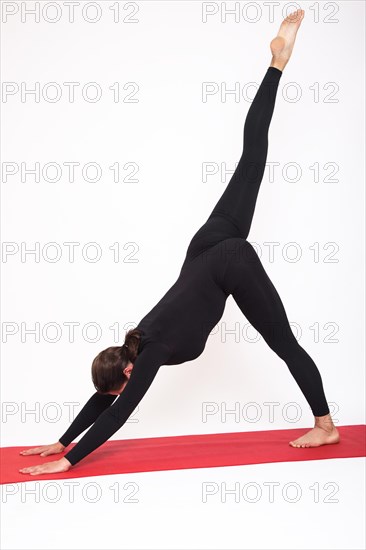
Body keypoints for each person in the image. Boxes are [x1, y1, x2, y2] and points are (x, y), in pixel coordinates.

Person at [19, 8, 340, 476]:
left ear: (126, 372)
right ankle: (277, 64)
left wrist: (68, 461)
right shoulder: (134, 340)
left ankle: (326, 424)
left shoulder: (151, 353)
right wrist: (61, 439)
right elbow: (103, 397)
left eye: (121, 384)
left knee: (284, 343)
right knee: (251, 154)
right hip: (206, 244)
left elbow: (117, 412)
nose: (124, 388)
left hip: (228, 259)